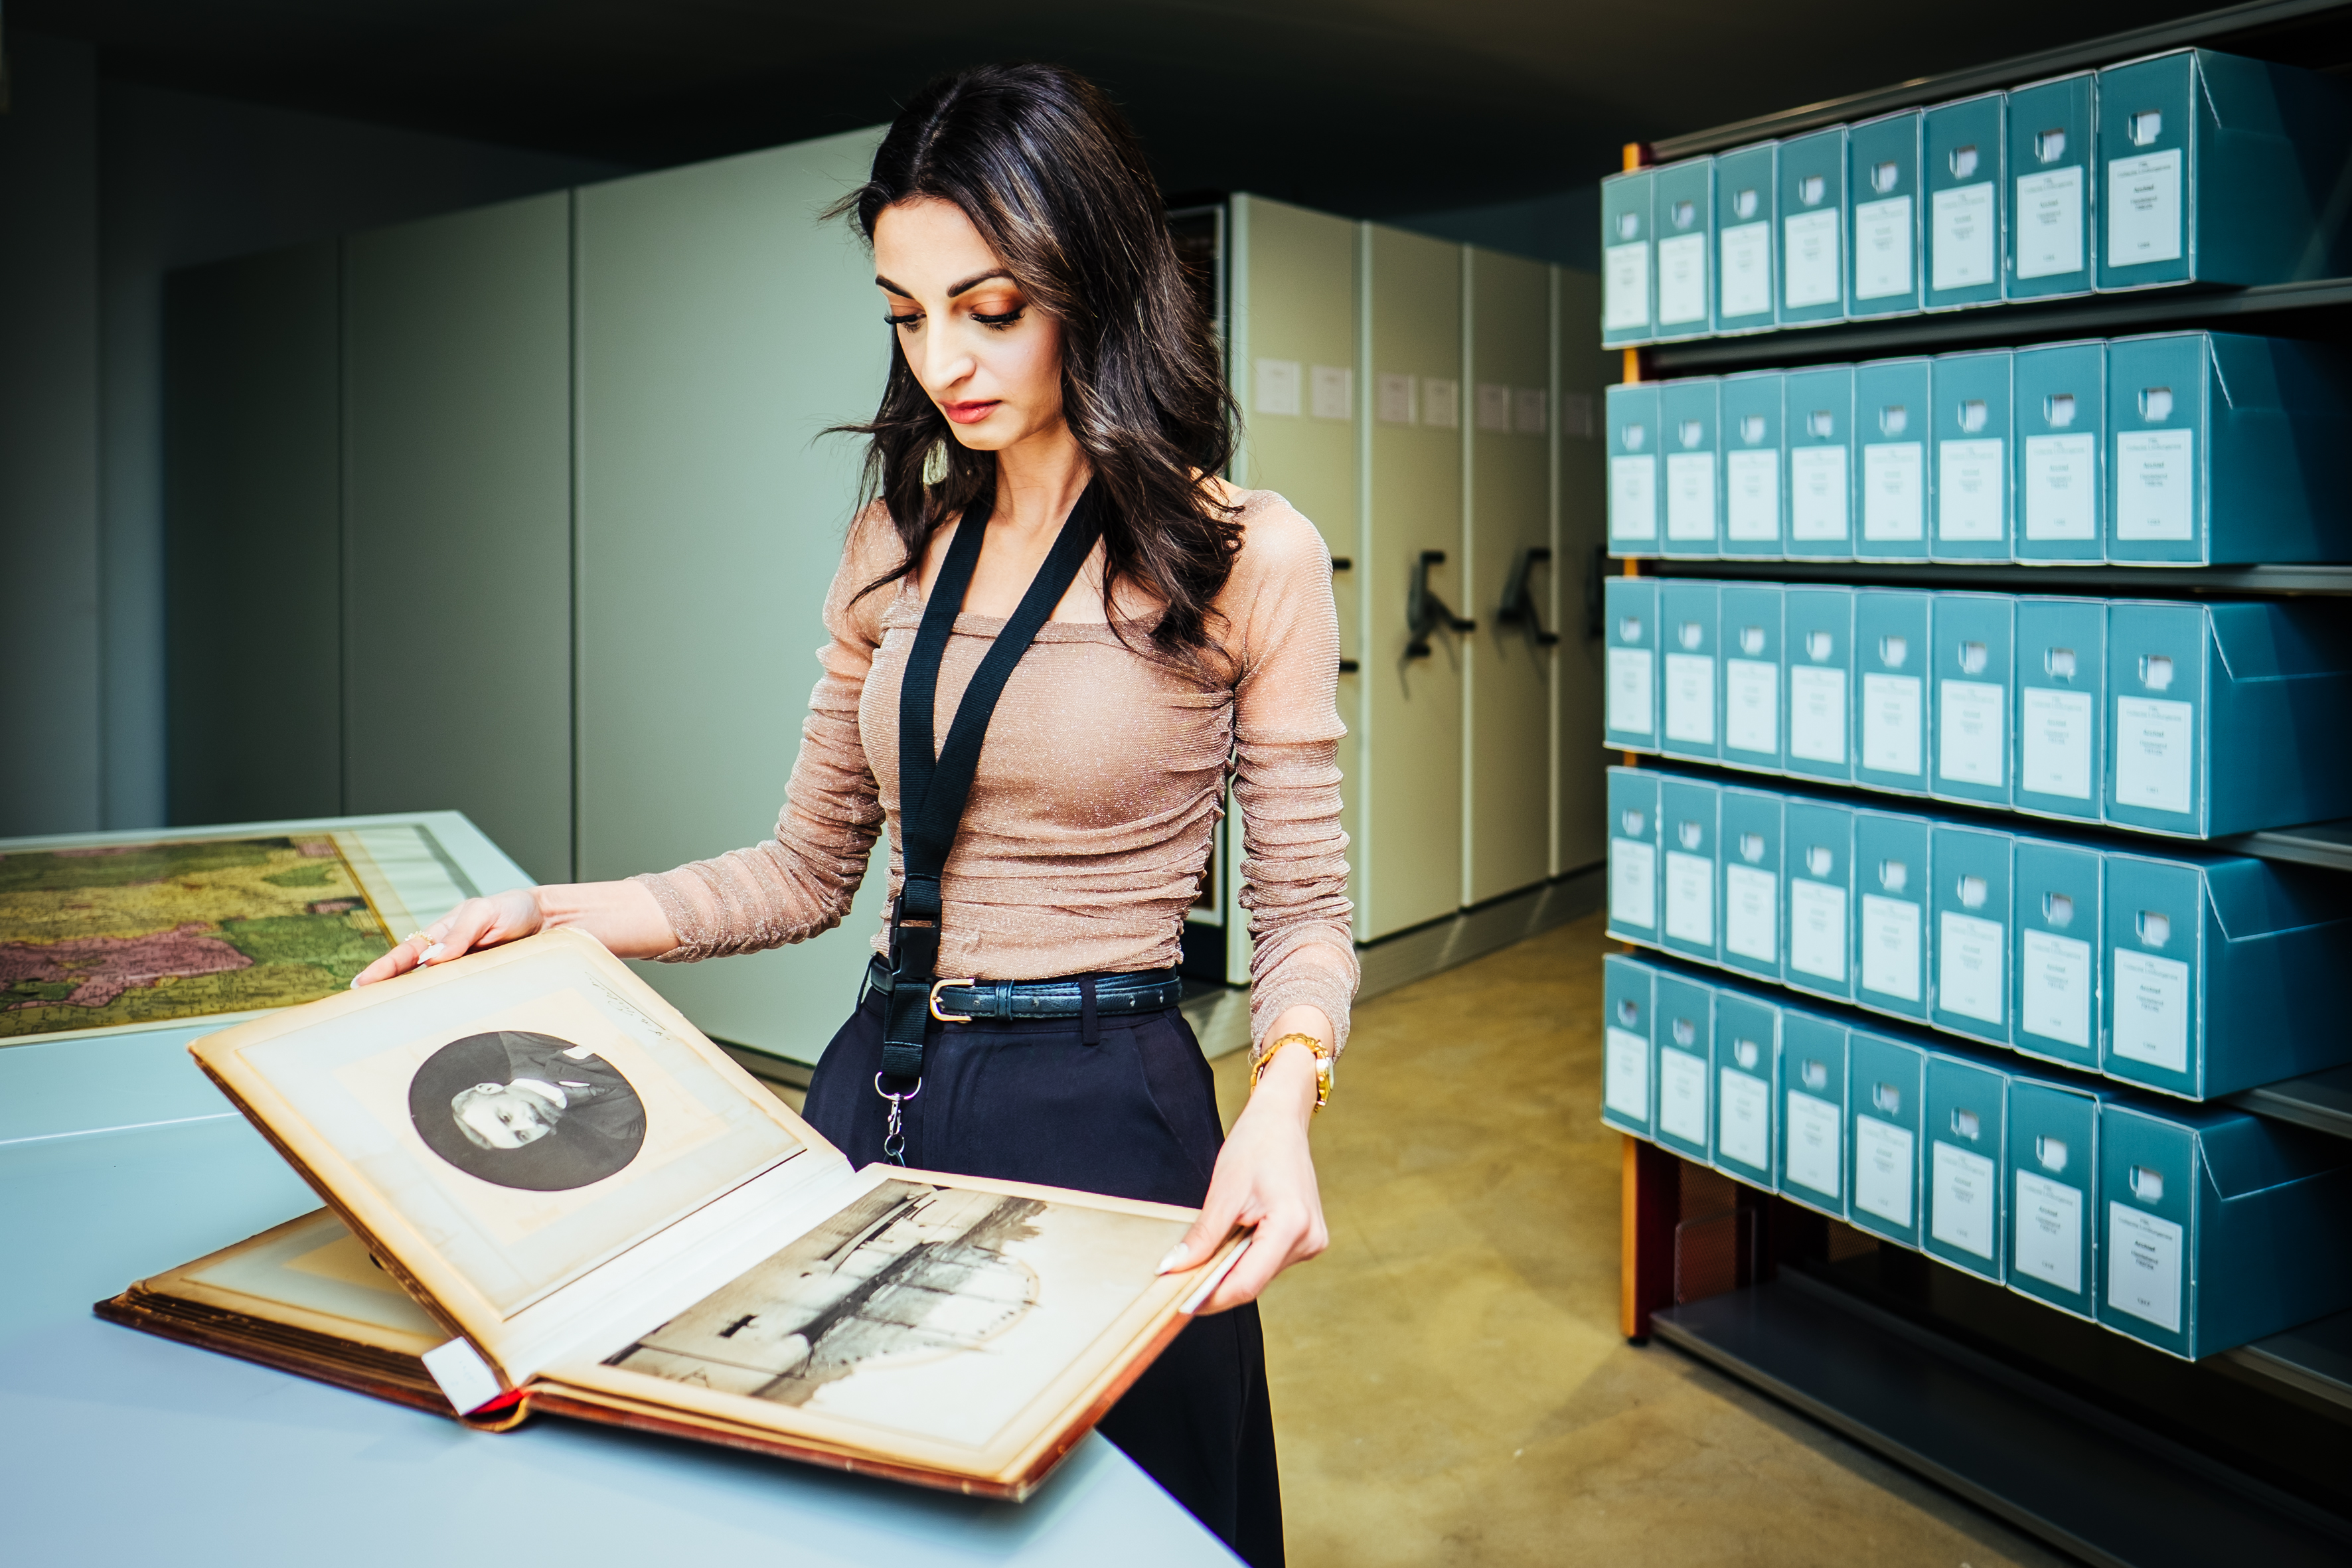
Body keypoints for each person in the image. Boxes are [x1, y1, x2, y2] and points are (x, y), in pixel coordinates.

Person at [355, 62, 1352, 1566]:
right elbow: (803, 867)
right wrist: (555, 914)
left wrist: (1282, 1099)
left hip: (1109, 1106)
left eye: (990, 306)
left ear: (1096, 279)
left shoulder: (1243, 555)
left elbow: (1305, 909)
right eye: (904, 310)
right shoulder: (895, 540)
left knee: (1119, 1523)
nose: (942, 355)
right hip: (873, 1090)